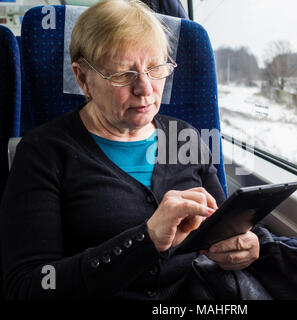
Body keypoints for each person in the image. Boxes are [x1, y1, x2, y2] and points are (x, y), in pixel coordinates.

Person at [0, 0, 262, 299]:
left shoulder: (184, 137)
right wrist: (146, 239)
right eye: (124, 74)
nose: (145, 88)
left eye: (155, 68)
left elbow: (226, 225)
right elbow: (29, 287)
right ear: (82, 78)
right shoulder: (43, 152)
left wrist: (251, 245)